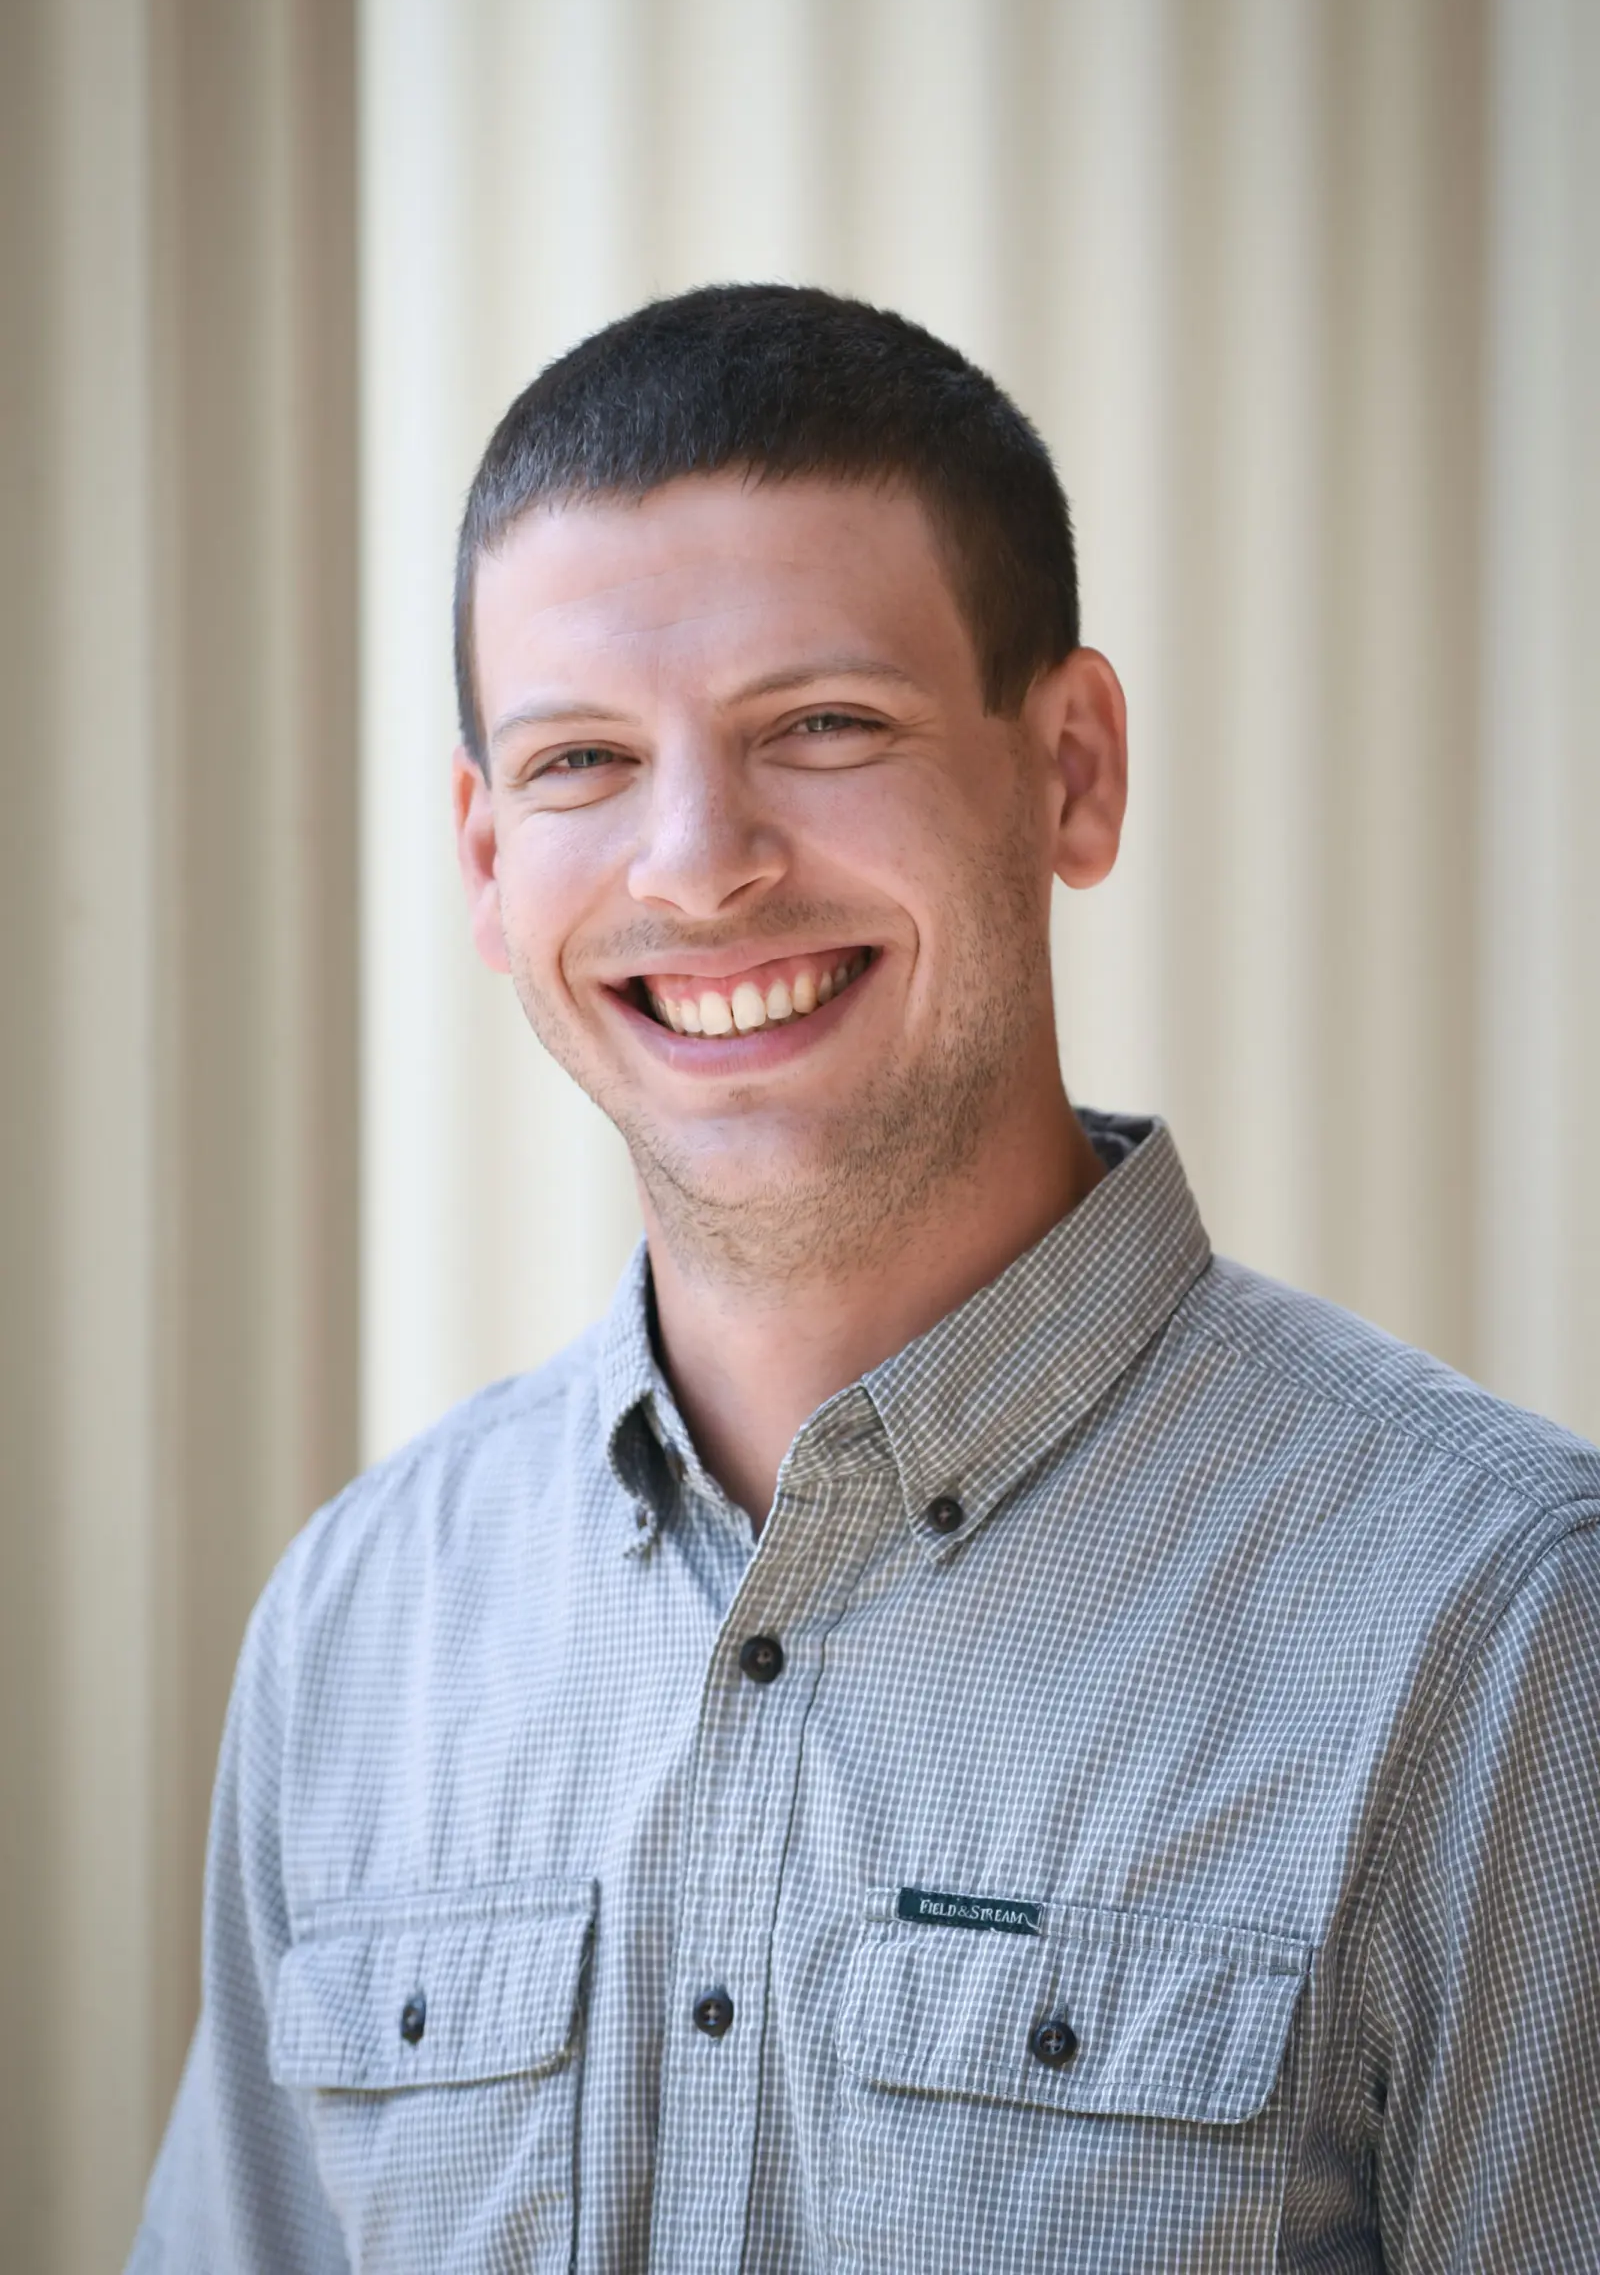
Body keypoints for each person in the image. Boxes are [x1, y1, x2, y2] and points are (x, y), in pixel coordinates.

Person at [129, 286, 1600, 2274]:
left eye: (818, 727)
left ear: (1068, 768)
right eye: (579, 762)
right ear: (483, 859)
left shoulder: (1502, 1638)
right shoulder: (358, 1627)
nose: (698, 864)